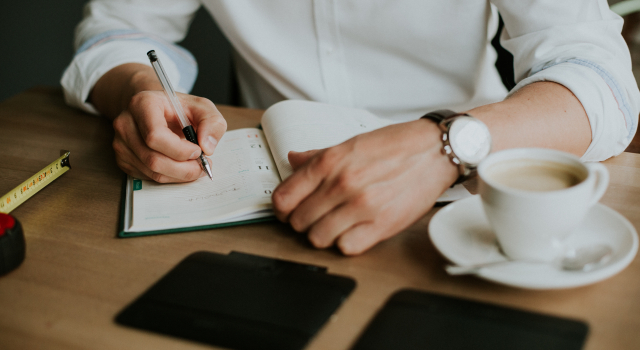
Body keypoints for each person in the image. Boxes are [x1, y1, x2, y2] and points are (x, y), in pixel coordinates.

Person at [62, 0, 639, 255]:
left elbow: (601, 79)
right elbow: (119, 27)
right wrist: (137, 87)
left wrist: (446, 144)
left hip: (474, 191)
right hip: (264, 211)